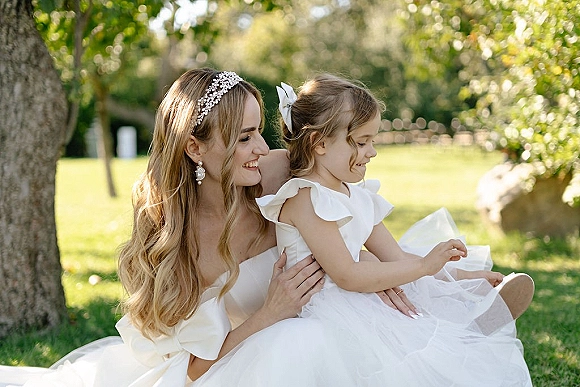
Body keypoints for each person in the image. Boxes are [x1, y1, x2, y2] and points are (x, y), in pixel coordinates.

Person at [0, 68, 412, 387]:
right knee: (300, 342)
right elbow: (192, 368)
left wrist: (372, 266)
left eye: (259, 132)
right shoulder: (184, 246)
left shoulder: (284, 174)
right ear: (195, 147)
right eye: (245, 137)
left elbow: (351, 222)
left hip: (338, 324)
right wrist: (269, 313)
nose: (264, 149)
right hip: (256, 357)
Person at [192, 74, 535, 386]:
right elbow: (346, 274)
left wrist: (455, 272)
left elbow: (395, 256)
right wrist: (416, 267)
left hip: (354, 292)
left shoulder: (351, 191)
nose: (372, 152)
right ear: (320, 143)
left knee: (407, 300)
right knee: (385, 338)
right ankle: (457, 328)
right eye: (361, 141)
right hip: (324, 308)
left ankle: (462, 318)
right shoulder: (305, 196)